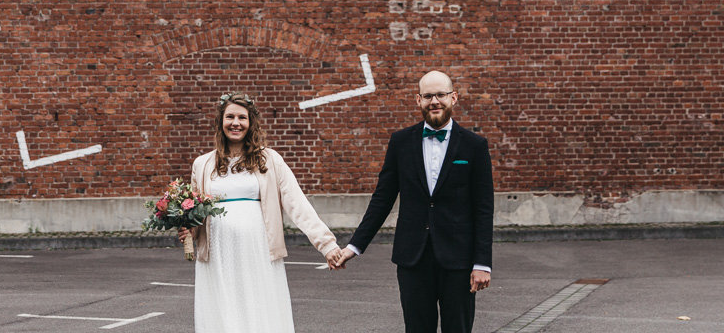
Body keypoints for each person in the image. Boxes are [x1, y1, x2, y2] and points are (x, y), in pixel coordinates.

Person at [335, 71, 494, 333]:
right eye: (428, 95)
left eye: (441, 95)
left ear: (453, 98)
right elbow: (382, 199)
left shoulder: (474, 146)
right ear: (417, 100)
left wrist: (482, 264)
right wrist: (354, 247)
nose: (435, 101)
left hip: (459, 259)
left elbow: (483, 208)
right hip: (413, 259)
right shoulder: (400, 142)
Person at [182, 92, 345, 333]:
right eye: (229, 117)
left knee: (258, 304)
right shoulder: (202, 164)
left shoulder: (269, 160)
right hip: (217, 252)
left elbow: (296, 203)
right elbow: (193, 211)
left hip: (257, 249)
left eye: (242, 117)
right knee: (222, 307)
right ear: (220, 121)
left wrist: (327, 244)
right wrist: (187, 229)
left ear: (250, 123)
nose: (235, 123)